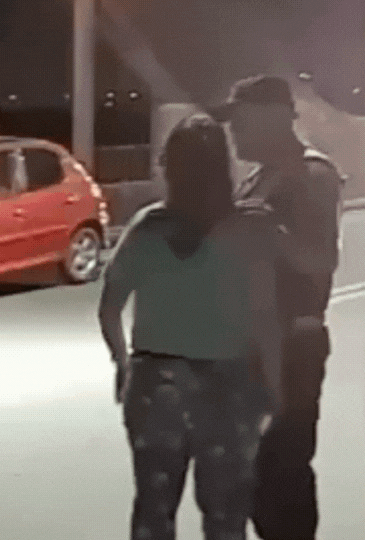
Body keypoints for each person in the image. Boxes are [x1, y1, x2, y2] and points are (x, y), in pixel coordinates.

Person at [99, 114, 284, 540]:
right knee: (225, 514)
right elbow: (265, 319)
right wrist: (274, 385)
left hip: (155, 385)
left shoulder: (147, 228)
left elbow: (109, 308)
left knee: (154, 509)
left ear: (170, 167)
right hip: (230, 386)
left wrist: (124, 365)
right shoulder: (250, 229)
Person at [210, 74, 345, 540]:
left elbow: (322, 261)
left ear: (274, 119)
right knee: (252, 479)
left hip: (292, 350)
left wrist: (274, 235)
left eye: (240, 122)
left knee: (281, 478)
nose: (234, 133)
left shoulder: (311, 175)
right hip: (248, 349)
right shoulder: (258, 177)